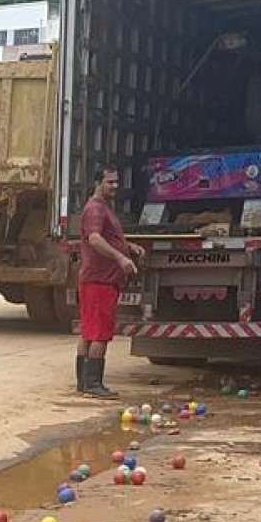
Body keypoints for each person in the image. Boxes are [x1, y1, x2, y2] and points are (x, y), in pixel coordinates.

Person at [77, 166, 144, 399]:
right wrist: (120, 257)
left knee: (88, 332)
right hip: (100, 281)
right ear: (97, 183)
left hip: (96, 279)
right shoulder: (95, 209)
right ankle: (93, 384)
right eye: (110, 182)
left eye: (117, 182)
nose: (115, 186)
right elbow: (95, 238)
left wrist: (128, 247)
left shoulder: (104, 208)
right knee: (99, 334)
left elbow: (106, 238)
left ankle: (84, 383)